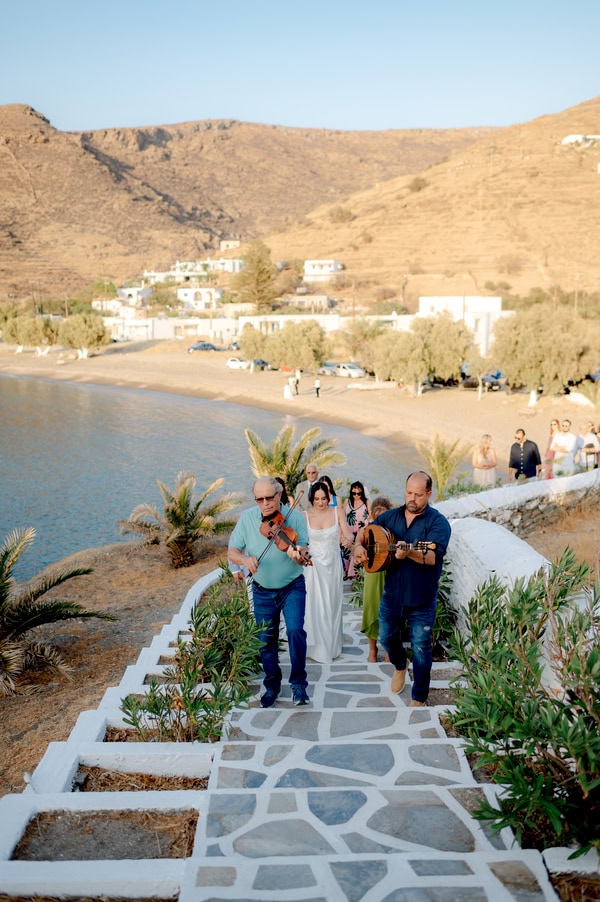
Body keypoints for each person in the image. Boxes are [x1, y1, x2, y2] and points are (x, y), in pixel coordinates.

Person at [353, 471, 451, 706]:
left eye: (418, 494)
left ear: (429, 494)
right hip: (392, 594)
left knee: (421, 647)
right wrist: (358, 547)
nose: (412, 498)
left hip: (422, 598)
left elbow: (432, 556)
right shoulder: (390, 517)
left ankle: (419, 695)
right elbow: (365, 534)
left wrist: (411, 552)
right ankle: (399, 664)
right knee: (386, 637)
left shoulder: (438, 523)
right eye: (409, 492)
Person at [228, 476, 310, 708]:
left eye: (270, 497)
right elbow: (232, 551)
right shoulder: (247, 519)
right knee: (265, 640)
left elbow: (303, 549)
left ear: (279, 494)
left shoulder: (295, 517)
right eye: (260, 499)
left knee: (295, 631)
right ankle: (272, 686)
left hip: (292, 586)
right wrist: (244, 559)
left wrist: (298, 554)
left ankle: (299, 685)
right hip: (262, 591)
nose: (265, 503)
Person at [303, 480, 355, 662]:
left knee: (331, 605)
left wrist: (347, 539)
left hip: (332, 565)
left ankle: (331, 647)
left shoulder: (337, 511)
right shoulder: (305, 515)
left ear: (328, 497)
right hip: (313, 566)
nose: (320, 502)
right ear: (311, 498)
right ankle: (317, 649)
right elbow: (300, 542)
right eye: (317, 499)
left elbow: (348, 533)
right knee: (315, 606)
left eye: (324, 498)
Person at [360, 495, 393, 662]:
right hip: (373, 575)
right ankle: (372, 652)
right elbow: (359, 542)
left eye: (384, 516)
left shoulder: (394, 531)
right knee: (372, 609)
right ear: (372, 515)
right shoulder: (368, 530)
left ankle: (389, 651)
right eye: (377, 516)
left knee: (390, 613)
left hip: (390, 574)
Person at [342, 481, 371, 579]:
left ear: (362, 492)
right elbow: (342, 517)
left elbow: (371, 518)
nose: (356, 496)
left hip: (360, 534)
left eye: (358, 493)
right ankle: (345, 575)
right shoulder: (347, 501)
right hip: (348, 533)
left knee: (356, 557)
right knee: (346, 555)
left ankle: (355, 578)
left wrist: (365, 524)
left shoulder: (366, 502)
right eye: (354, 493)